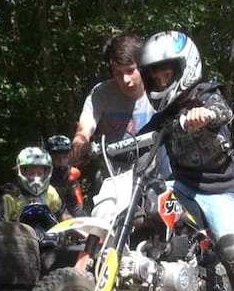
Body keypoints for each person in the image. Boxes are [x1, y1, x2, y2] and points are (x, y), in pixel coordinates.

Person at [138, 31, 234, 291]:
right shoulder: (164, 114)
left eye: (165, 73)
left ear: (184, 68)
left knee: (232, 253)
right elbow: (142, 139)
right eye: (154, 77)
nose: (159, 81)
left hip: (219, 190)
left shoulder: (207, 94)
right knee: (148, 200)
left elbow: (224, 111)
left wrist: (205, 114)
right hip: (183, 187)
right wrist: (110, 147)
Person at [70, 32, 170, 192]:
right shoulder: (101, 93)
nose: (125, 79)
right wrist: (80, 142)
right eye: (118, 73)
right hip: (112, 181)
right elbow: (85, 126)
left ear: (142, 67)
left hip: (155, 179)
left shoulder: (160, 92)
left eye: (130, 71)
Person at [0, 146, 67, 222]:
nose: (36, 178)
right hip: (19, 233)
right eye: (31, 173)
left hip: (47, 233)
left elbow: (64, 217)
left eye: (40, 173)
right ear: (22, 172)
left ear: (46, 173)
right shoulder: (9, 197)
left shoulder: (51, 192)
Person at [45, 135, 85, 217]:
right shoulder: (42, 175)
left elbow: (77, 207)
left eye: (64, 157)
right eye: (56, 158)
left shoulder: (71, 177)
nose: (61, 162)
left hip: (64, 218)